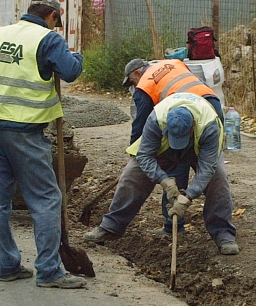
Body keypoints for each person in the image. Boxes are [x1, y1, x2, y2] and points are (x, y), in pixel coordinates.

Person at [0, 0, 88, 289]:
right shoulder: (48, 40)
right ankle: (49, 270)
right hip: (25, 130)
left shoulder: (0, 35)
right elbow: (70, 71)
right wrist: (76, 56)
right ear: (52, 16)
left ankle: (7, 265)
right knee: (46, 199)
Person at [84, 91, 240, 255]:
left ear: (193, 126)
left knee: (218, 180)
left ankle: (224, 234)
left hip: (199, 148)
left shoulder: (209, 124)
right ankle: (111, 227)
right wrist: (163, 179)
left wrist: (188, 197)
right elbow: (144, 155)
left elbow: (208, 168)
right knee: (132, 174)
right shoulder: (157, 118)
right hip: (164, 148)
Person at [123, 58, 225, 237]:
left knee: (184, 166)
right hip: (212, 103)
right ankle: (219, 232)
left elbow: (140, 125)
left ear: (138, 73)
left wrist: (135, 152)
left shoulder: (144, 86)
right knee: (215, 175)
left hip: (202, 117)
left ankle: (173, 226)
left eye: (132, 82)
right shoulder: (174, 64)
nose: (134, 86)